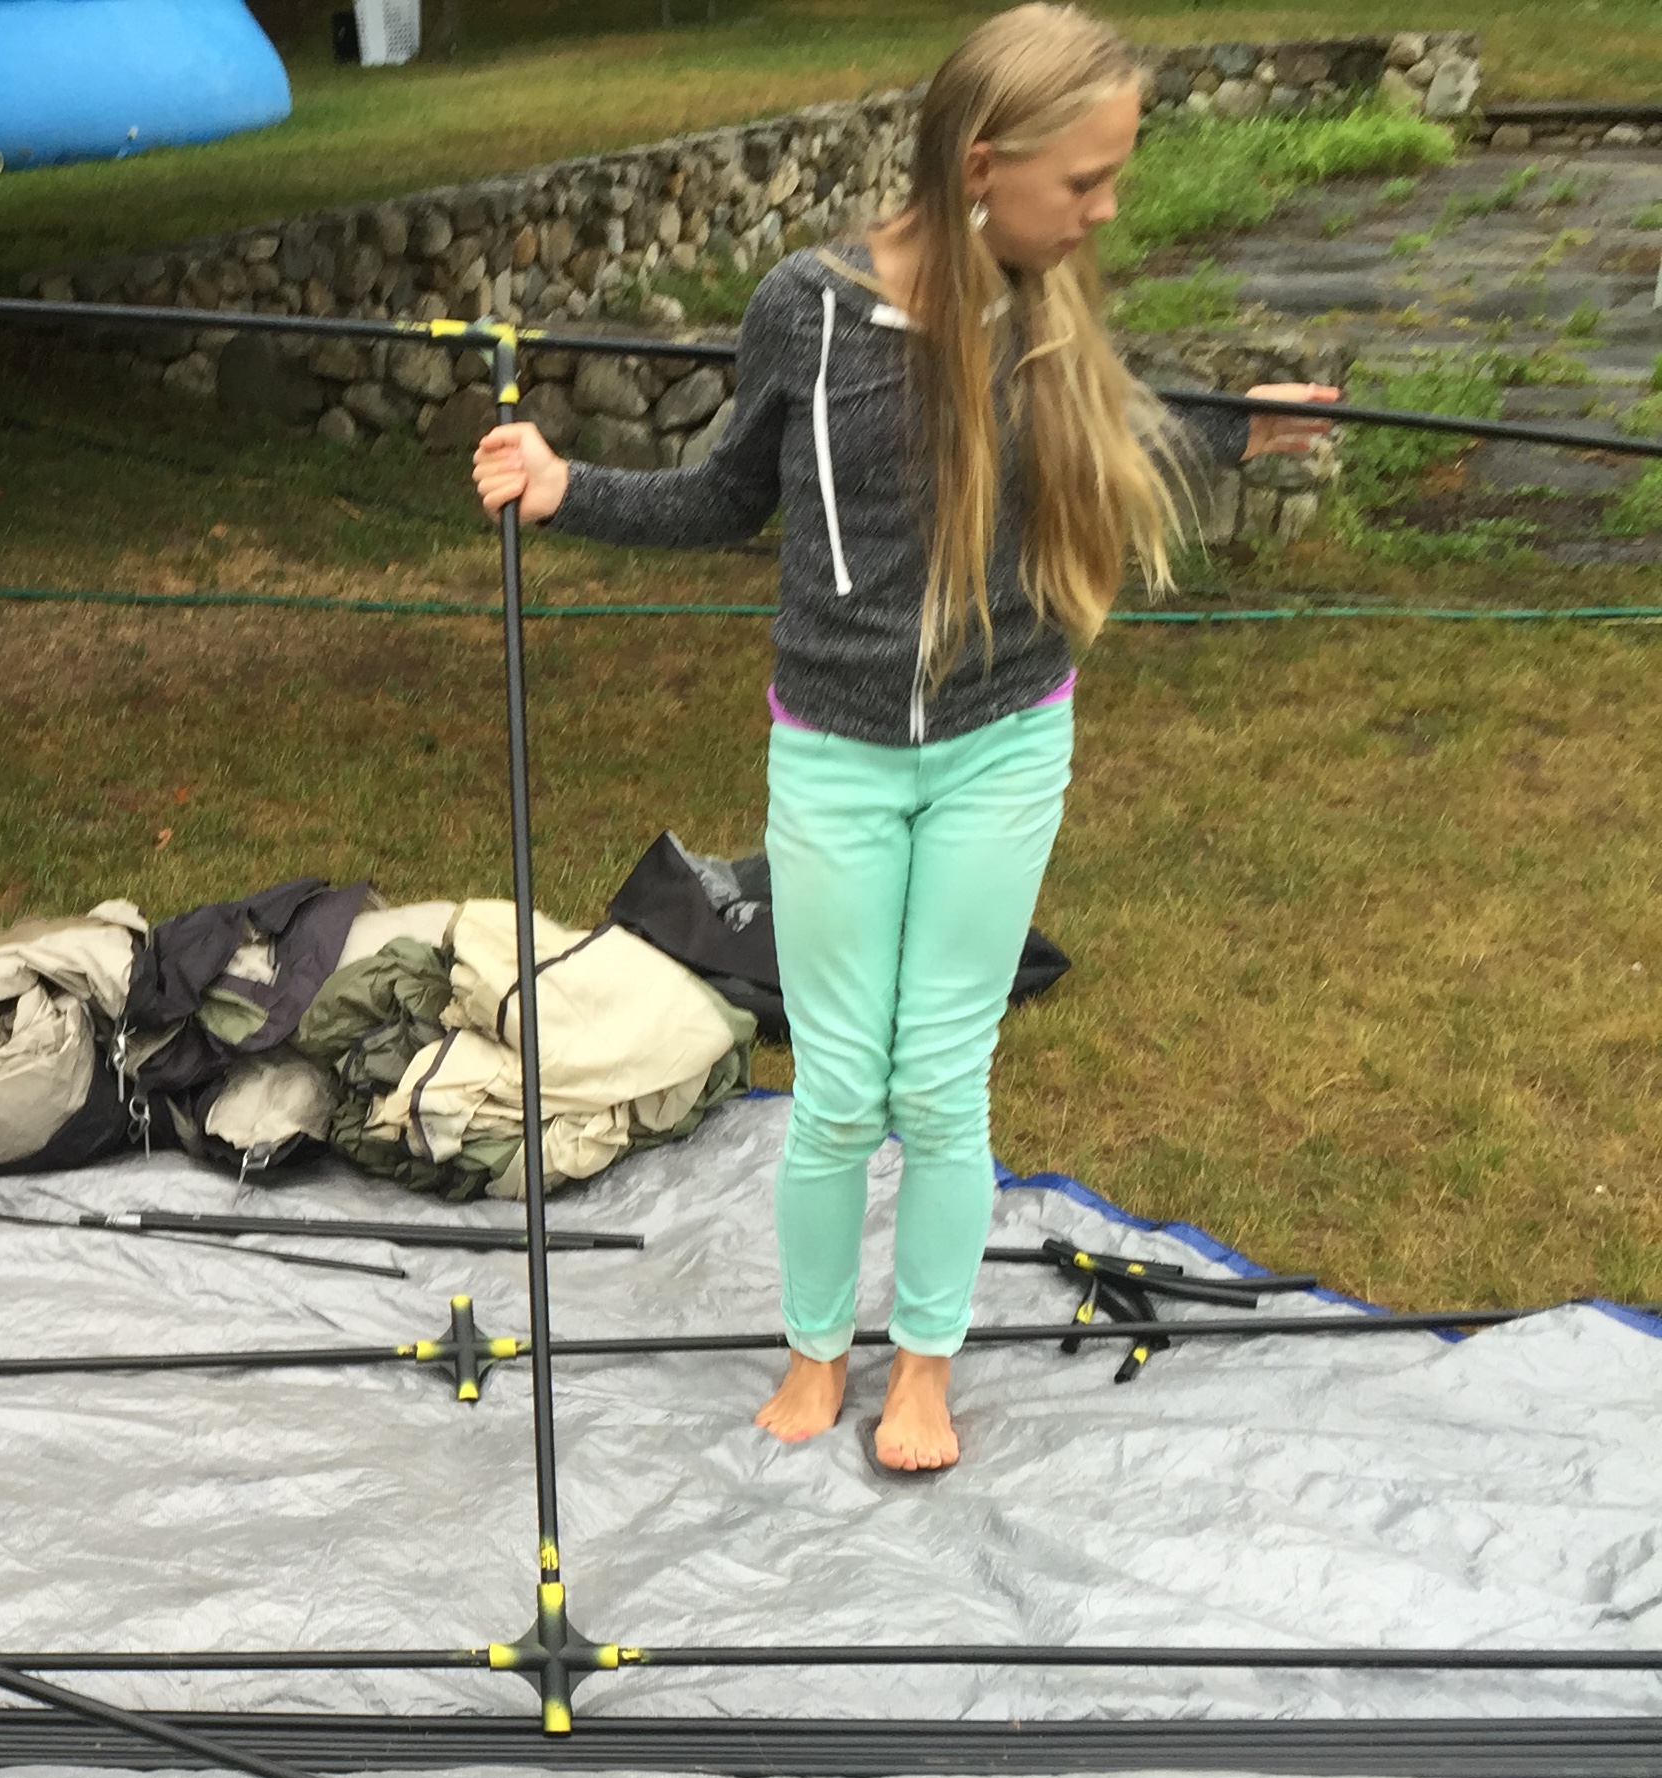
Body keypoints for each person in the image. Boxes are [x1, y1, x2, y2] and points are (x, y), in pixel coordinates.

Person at [472, 1, 1336, 1474]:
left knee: (941, 1081)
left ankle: (924, 1368)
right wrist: (570, 490)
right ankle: (818, 1355)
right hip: (834, 751)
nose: (1106, 209)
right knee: (835, 1087)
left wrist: (1241, 425)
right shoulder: (805, 312)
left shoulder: (1046, 309)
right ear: (983, 166)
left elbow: (1120, 439)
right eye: (1086, 181)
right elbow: (727, 495)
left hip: (1007, 742)